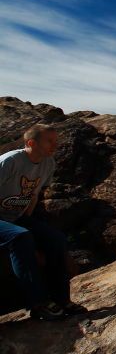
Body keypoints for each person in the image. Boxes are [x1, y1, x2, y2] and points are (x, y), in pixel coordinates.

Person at [0, 123, 86, 320]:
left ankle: (61, 299)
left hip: (15, 217)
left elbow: (33, 195)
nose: (55, 145)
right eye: (49, 141)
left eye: (56, 141)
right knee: (21, 237)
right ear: (31, 143)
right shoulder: (9, 161)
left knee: (55, 238)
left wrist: (29, 223)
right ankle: (38, 303)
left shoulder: (48, 163)